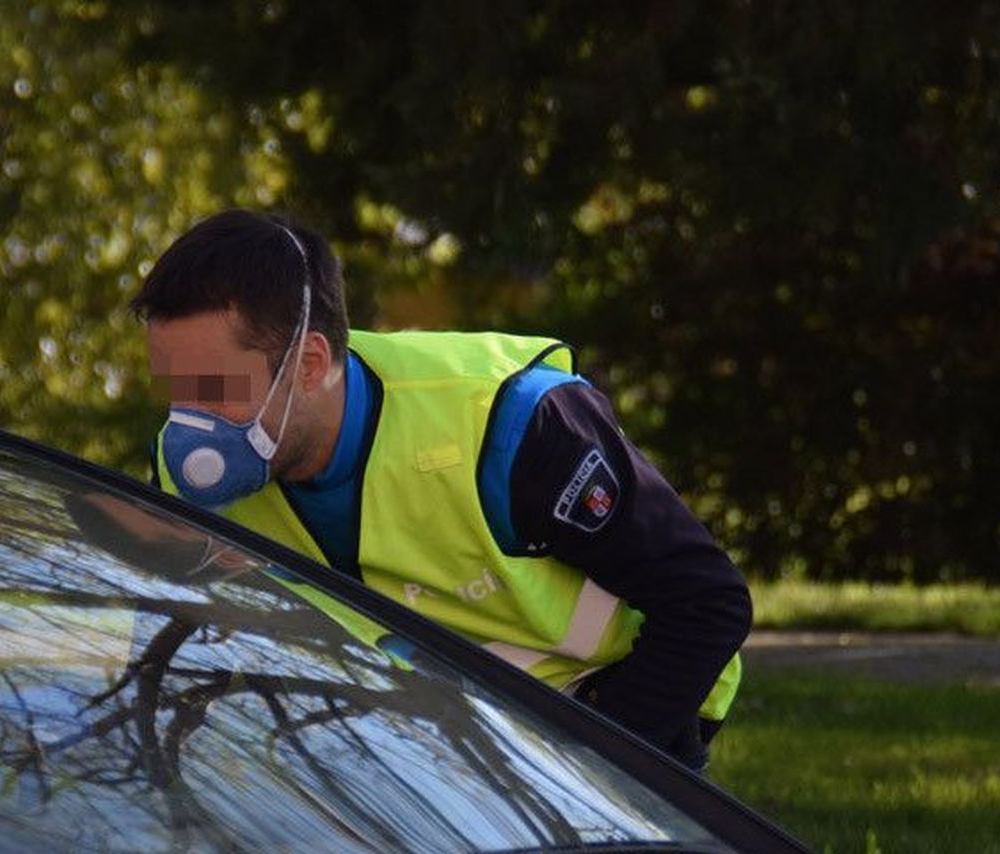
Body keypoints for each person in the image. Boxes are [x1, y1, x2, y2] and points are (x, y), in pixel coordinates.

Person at [131, 209, 751, 770]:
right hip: (429, 746)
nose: (191, 428)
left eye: (212, 388)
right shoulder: (194, 472)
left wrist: (585, 768)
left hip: (610, 713)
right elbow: (172, 650)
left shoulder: (508, 421)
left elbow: (706, 605)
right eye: (174, 391)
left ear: (310, 365)